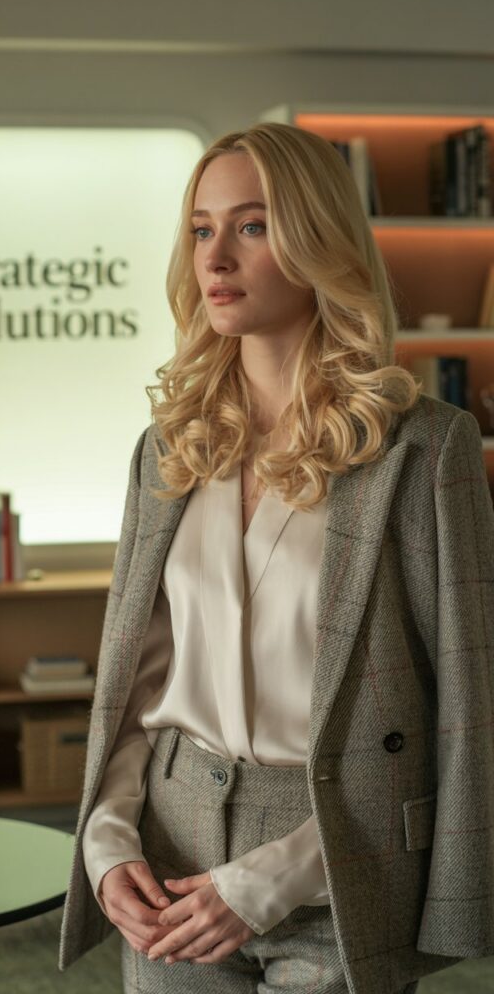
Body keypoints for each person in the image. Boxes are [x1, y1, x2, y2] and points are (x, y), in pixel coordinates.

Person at [59, 123, 494, 994]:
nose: (215, 256)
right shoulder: (169, 446)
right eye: (200, 228)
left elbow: (464, 697)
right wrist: (108, 847)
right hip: (166, 860)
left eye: (252, 226)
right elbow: (139, 684)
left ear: (317, 243)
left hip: (336, 865)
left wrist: (267, 880)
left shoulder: (424, 449)